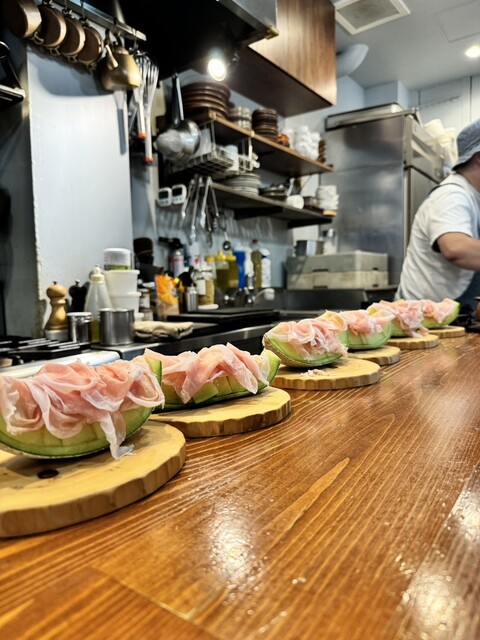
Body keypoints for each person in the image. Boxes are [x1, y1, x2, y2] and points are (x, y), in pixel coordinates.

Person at [397, 118, 480, 314]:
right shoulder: (452, 194)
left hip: (447, 316)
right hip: (419, 320)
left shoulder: (472, 197)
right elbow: (456, 248)